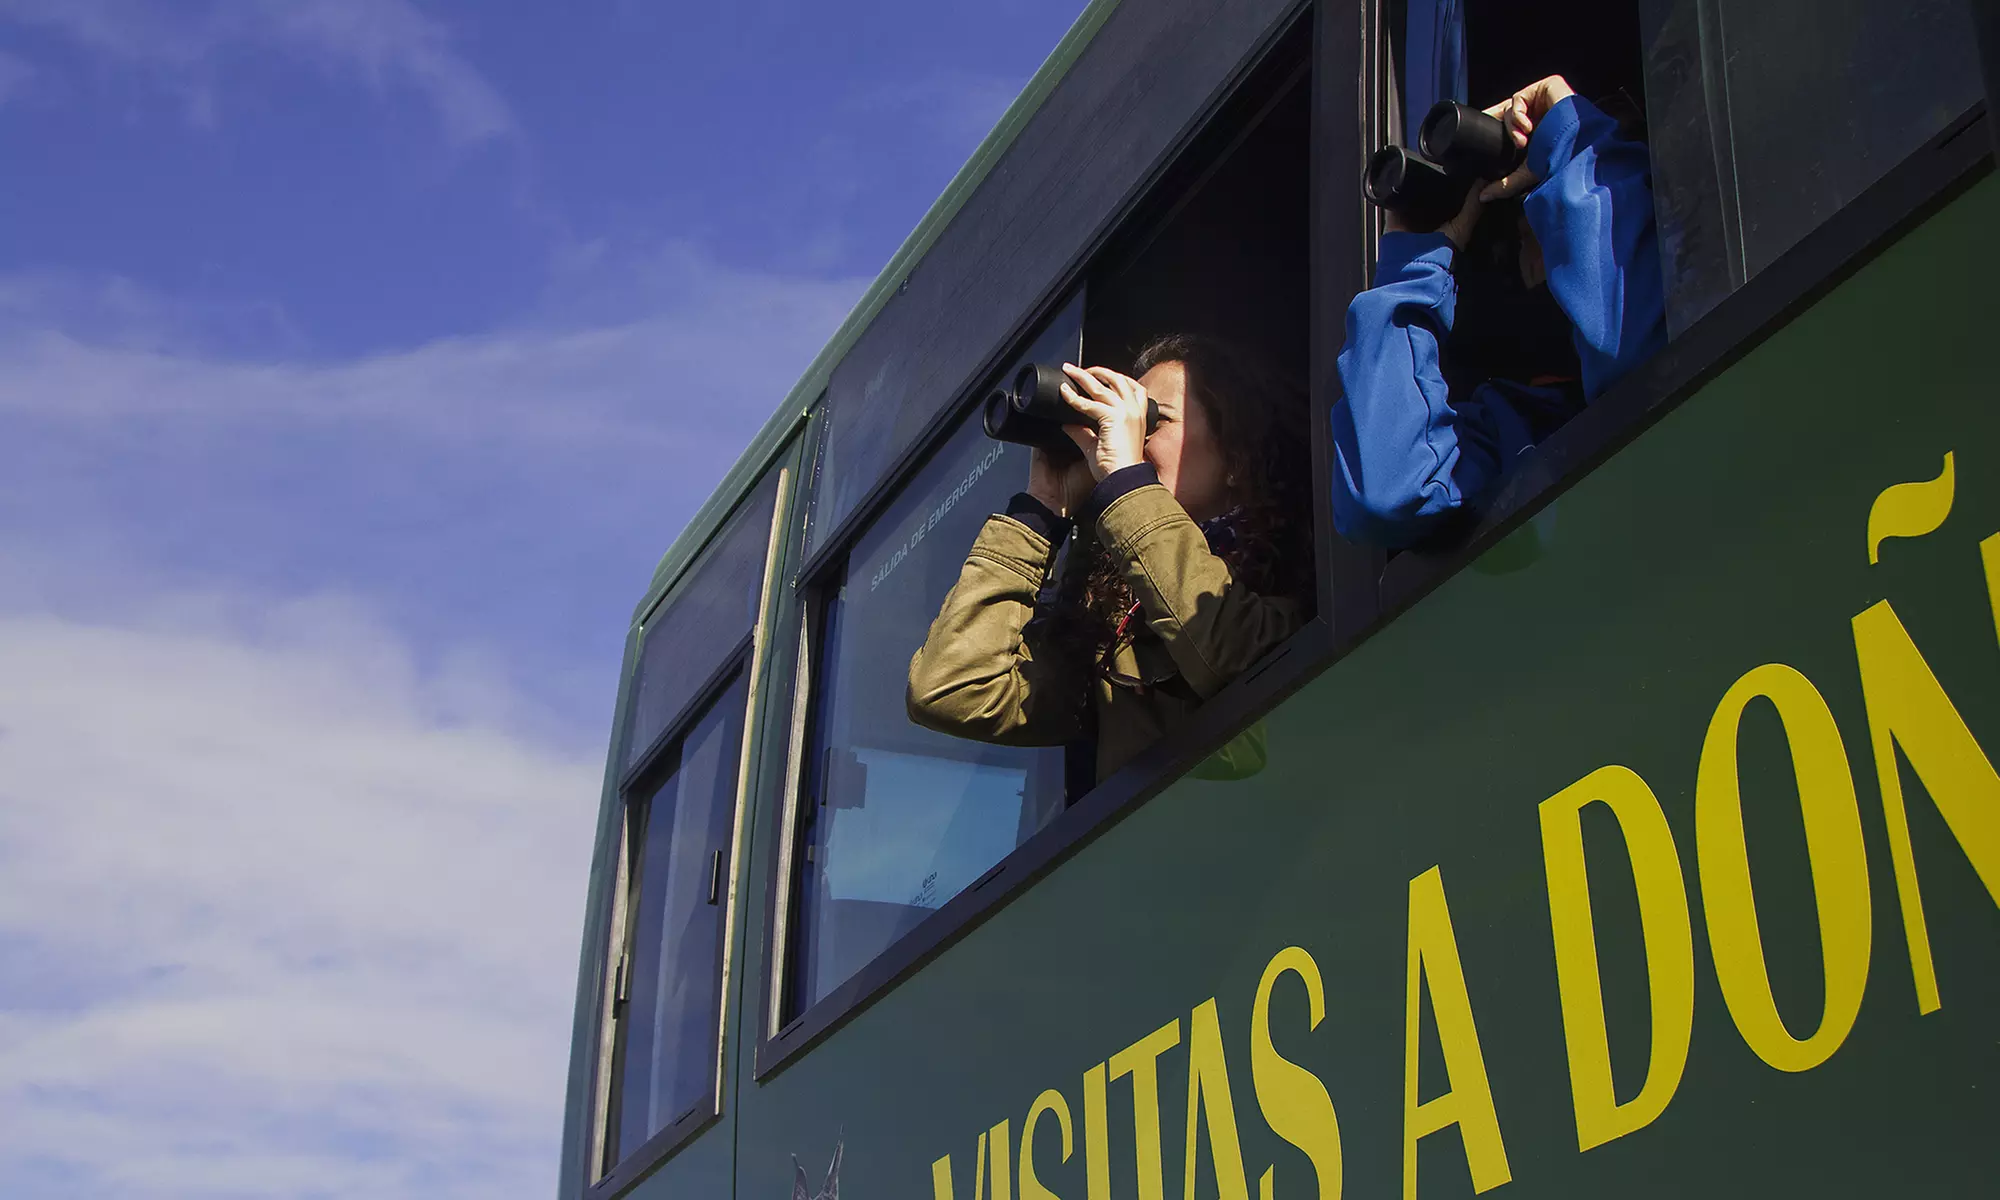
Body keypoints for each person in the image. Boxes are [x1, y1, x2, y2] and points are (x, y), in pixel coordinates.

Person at [906, 334, 1312, 781]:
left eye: (1151, 421)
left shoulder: (1308, 567)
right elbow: (951, 689)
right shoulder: (1111, 622)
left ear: (1236, 453)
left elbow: (1233, 660)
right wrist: (1043, 507)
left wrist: (1125, 479)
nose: (1127, 437)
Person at [1331, 74, 1666, 548]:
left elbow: (1650, 374)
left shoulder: (1713, 308)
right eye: (1532, 217)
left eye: (1594, 190)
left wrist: (1575, 140)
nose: (1538, 222)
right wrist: (1415, 262)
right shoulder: (1519, 423)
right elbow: (1388, 494)